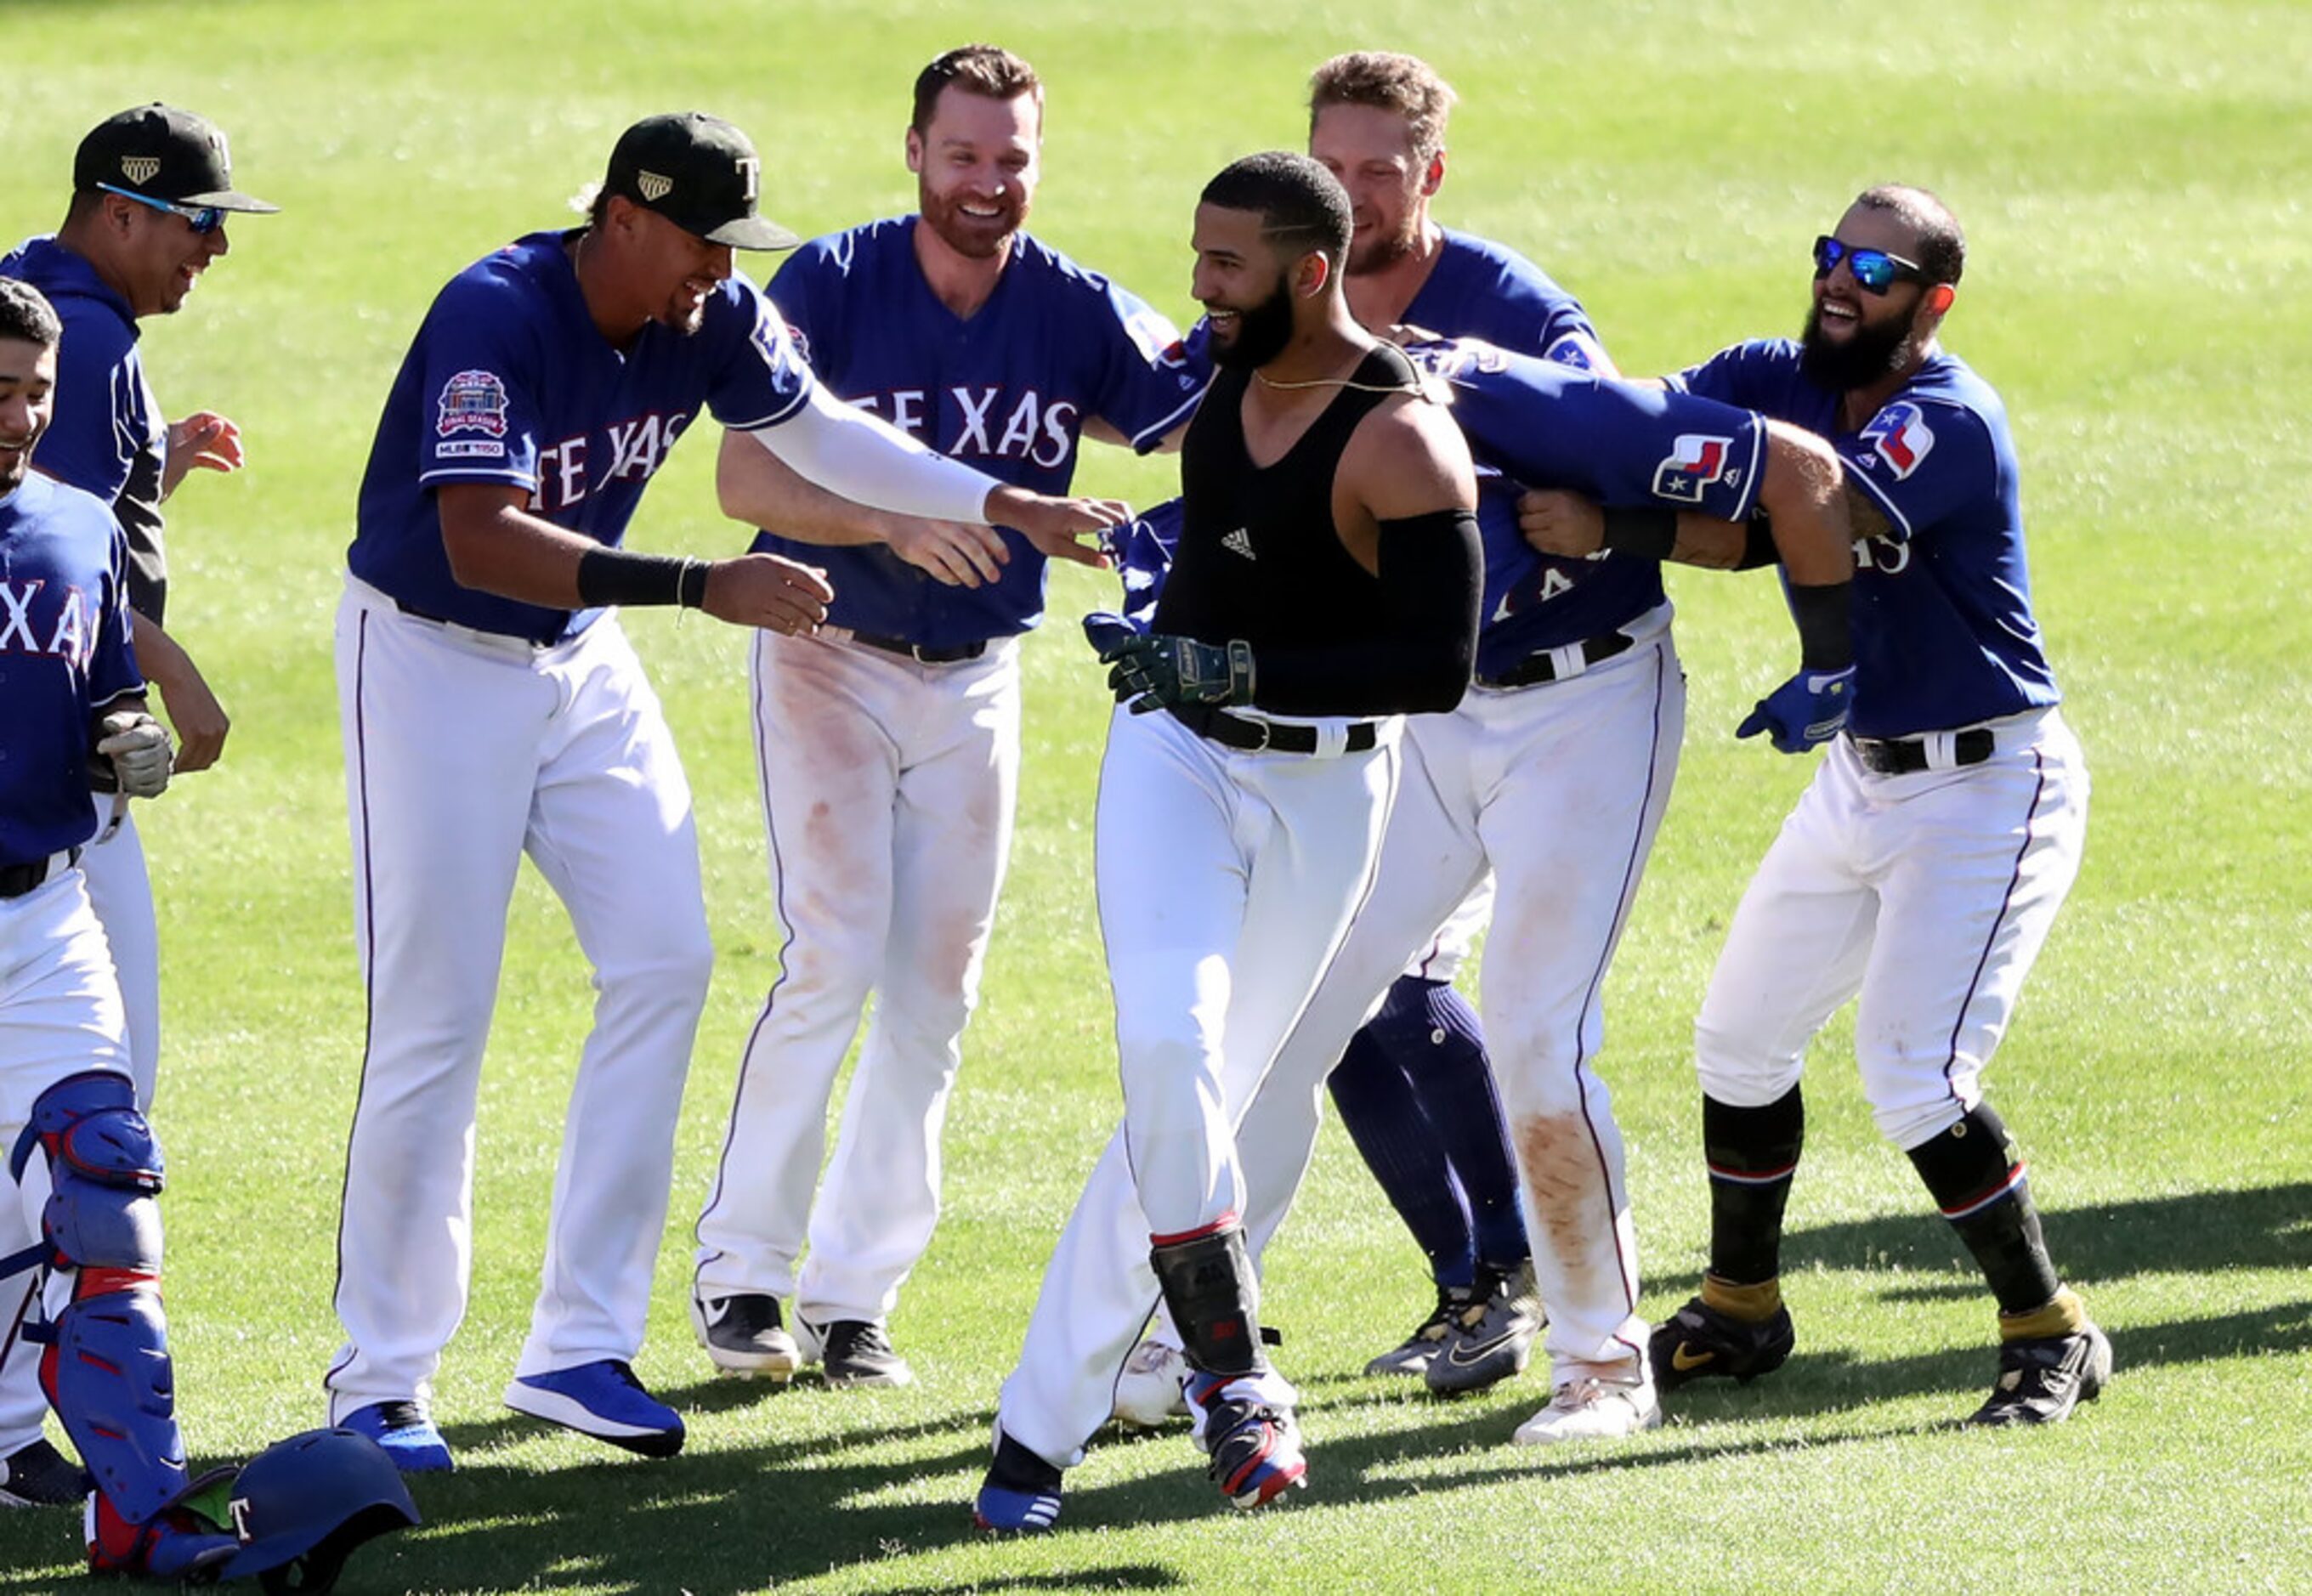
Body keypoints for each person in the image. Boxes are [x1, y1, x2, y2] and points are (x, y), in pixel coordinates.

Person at [324, 111, 1125, 1474]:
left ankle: (578, 1343)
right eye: (700, 241)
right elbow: (479, 535)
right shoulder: (495, 312)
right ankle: (380, 1379)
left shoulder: (710, 311)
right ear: (622, 218)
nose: (718, 269)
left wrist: (1007, 502)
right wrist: (704, 584)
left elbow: (823, 434)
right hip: (428, 657)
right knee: (437, 1013)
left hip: (575, 656)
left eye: (732, 245)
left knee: (665, 960)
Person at [1532, 184, 2109, 1425]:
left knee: (1915, 1073)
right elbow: (1637, 431)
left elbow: (1801, 524)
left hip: (1988, 786)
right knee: (1738, 1037)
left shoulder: (1945, 418)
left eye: (1878, 269)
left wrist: (1612, 524)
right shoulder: (1772, 373)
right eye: (1832, 254)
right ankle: (1743, 1306)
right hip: (1863, 775)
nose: (1842, 281)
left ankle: (2051, 1328)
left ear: (1931, 302)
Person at [1114, 48, 1624, 1425]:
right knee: (1311, 1014)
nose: (1348, 187)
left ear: (1428, 173)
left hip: (1544, 693)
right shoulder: (1270, 313)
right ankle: (1300, 1311)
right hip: (1371, 707)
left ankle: (1556, 1311)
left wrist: (1603, 519)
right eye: (1328, 163)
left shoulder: (1511, 307)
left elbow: (1601, 448)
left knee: (1506, 1016)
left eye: (1378, 168)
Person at [974, 151, 1482, 1531]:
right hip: (1177, 760)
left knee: (1196, 1101)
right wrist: (1168, 635)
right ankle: (1232, 1364)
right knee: (1169, 1041)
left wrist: (1231, 665)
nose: (1198, 290)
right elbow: (1220, 581)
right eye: (1196, 257)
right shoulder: (1228, 386)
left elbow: (1433, 666)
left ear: (1308, 272)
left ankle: (1034, 1434)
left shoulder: (1404, 438)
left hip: (1328, 795)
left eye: (1226, 266)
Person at [688, 43, 1205, 1390]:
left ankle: (857, 1297)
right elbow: (747, 466)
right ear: (913, 151)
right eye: (965, 154)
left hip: (976, 678)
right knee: (834, 951)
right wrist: (892, 525)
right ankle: (744, 1273)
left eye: (1013, 156)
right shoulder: (830, 284)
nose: (990, 182)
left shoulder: (1077, 307)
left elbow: (1213, 422)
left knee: (935, 989)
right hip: (829, 653)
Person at [0, 101, 275, 1514]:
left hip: (51, 758)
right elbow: (51, 578)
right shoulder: (82, 332)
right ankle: (25, 1420)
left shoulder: (42, 306)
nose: (212, 250)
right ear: (118, 209)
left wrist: (160, 470)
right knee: (95, 1114)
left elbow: (62, 529)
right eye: (196, 221)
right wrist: (178, 688)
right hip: (58, 787)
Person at [0, 273, 222, 1575]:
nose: (20, 415)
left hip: (42, 917)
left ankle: (137, 1508)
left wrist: (128, 731)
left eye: (35, 391)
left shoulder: (79, 526)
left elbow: (106, 692)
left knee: (107, 1183)